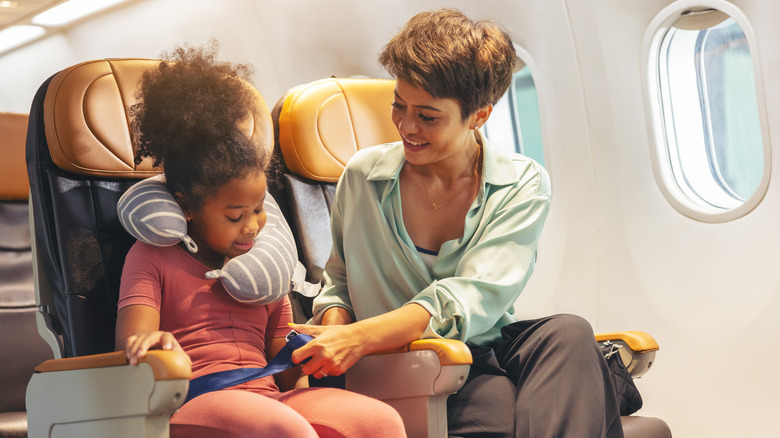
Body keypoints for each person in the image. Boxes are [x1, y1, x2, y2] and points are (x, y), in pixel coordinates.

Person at [290, 9, 624, 438]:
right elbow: (338, 282)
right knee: (498, 403)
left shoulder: (520, 184)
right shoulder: (362, 176)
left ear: (479, 116)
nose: (406, 126)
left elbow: (472, 298)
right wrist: (335, 337)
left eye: (427, 117)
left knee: (570, 334)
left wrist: (359, 337)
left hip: (476, 351)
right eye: (398, 106)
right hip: (397, 360)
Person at [115, 43, 406, 438]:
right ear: (187, 207)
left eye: (258, 209)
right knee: (284, 429)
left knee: (380, 423)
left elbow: (285, 376)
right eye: (235, 216)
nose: (252, 227)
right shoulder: (152, 256)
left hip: (268, 396)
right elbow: (131, 344)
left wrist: (301, 354)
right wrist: (151, 342)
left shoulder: (262, 268)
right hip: (188, 399)